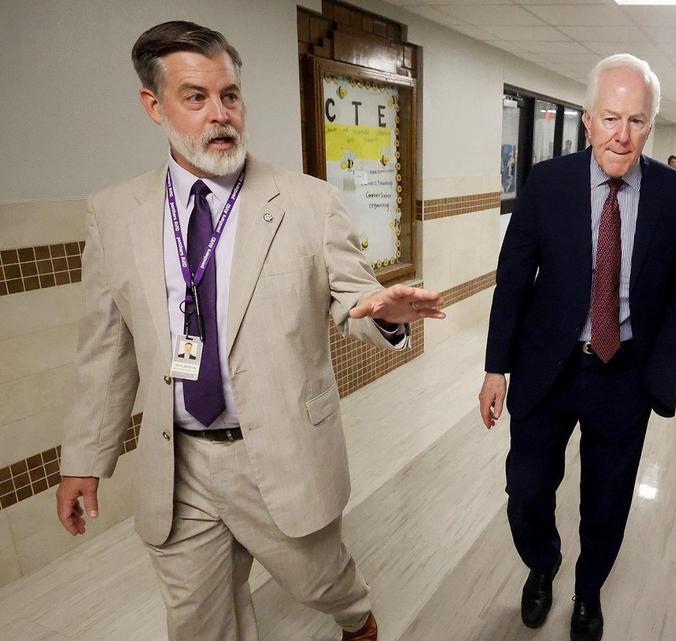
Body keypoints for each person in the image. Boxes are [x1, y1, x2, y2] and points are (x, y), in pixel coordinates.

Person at [54, 22, 445, 641]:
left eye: (230, 95)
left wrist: (384, 312)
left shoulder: (307, 203)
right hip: (177, 463)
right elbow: (106, 349)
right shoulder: (113, 214)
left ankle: (357, 619)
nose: (220, 114)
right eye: (196, 97)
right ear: (153, 105)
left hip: (279, 450)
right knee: (198, 623)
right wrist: (83, 457)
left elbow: (354, 298)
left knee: (320, 582)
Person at [479, 53, 676, 641]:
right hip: (546, 368)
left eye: (635, 120)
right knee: (527, 487)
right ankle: (542, 564)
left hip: (623, 372)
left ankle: (587, 590)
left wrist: (662, 336)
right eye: (610, 118)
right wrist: (495, 367)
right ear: (587, 119)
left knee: (606, 502)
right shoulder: (547, 183)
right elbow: (513, 277)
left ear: (650, 125)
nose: (621, 134)